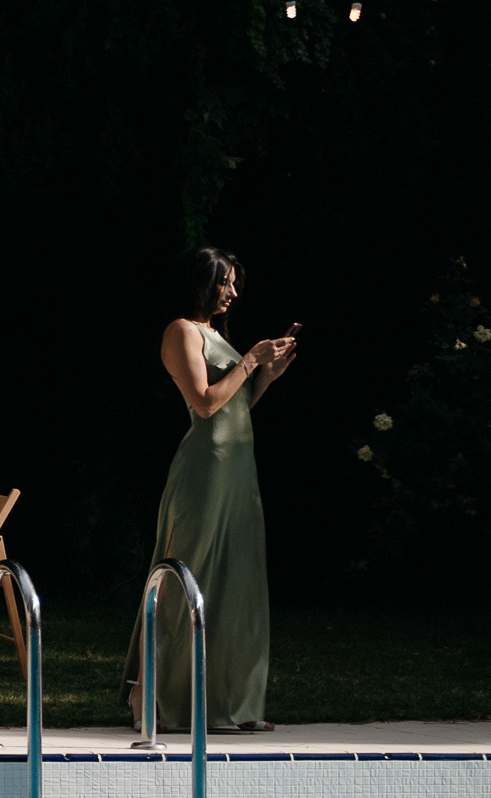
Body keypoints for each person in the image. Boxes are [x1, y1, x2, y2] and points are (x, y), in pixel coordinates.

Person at [124, 246, 298, 732]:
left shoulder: (216, 334)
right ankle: (155, 697)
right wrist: (250, 361)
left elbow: (234, 407)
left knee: (237, 584)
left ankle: (229, 704)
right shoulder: (180, 331)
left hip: (238, 468)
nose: (234, 292)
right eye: (227, 282)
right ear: (203, 281)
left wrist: (266, 376)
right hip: (204, 471)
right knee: (189, 580)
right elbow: (203, 405)